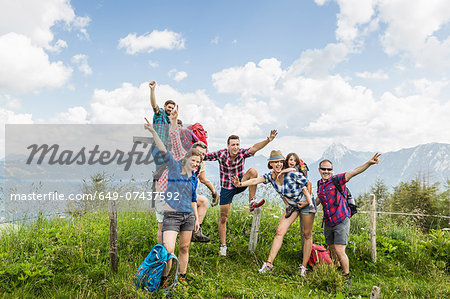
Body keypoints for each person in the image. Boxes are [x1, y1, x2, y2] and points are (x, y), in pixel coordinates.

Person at [233, 150, 316, 276]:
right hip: (292, 207)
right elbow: (255, 181)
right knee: (279, 232)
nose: (278, 164)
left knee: (307, 234)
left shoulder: (291, 174)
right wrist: (240, 184)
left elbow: (308, 183)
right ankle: (268, 264)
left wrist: (306, 202)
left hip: (305, 204)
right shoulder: (270, 177)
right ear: (270, 164)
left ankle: (303, 267)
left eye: (280, 162)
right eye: (275, 162)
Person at [144, 121, 201, 286]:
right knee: (168, 250)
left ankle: (182, 279)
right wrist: (154, 132)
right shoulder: (175, 167)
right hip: (172, 216)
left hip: (188, 217)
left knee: (184, 248)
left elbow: (193, 199)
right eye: (194, 161)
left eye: (198, 162)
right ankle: (164, 280)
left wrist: (196, 219)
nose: (196, 164)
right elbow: (163, 149)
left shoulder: (194, 178)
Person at [203, 130, 278, 257]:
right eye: (233, 145)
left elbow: (254, 148)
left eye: (237, 144)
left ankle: (251, 202)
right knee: (223, 218)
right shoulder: (221, 154)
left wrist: (268, 140)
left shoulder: (242, 153)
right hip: (227, 188)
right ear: (228, 146)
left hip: (240, 183)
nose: (236, 147)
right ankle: (223, 246)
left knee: (253, 171)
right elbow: (205, 156)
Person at [316, 153, 381, 285]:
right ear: (319, 170)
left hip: (341, 219)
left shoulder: (337, 180)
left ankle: (346, 277)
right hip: (328, 221)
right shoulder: (320, 184)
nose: (326, 172)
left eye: (329, 169)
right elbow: (318, 199)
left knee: (340, 250)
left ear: (332, 171)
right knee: (331, 248)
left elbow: (354, 172)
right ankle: (336, 269)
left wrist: (369, 163)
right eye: (324, 169)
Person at [155, 108, 216, 243]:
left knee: (203, 201)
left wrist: (213, 192)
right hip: (164, 193)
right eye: (199, 153)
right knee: (162, 228)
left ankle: (196, 230)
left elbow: (196, 187)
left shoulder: (198, 165)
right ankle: (160, 253)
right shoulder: (182, 157)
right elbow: (175, 139)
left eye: (203, 155)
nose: (201, 156)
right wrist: (174, 121)